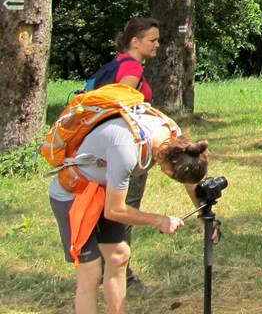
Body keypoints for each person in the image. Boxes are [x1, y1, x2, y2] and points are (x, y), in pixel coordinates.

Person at [49, 109, 208, 314]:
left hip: (103, 190)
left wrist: (203, 215)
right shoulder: (126, 149)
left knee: (119, 256)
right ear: (168, 170)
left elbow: (190, 182)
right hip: (73, 195)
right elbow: (114, 210)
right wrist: (159, 220)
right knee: (91, 272)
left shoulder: (174, 137)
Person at [99, 18, 160, 293]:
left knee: (110, 210)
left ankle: (104, 268)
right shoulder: (132, 68)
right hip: (126, 151)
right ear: (136, 41)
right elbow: (120, 105)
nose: (157, 44)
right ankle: (123, 276)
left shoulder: (118, 62)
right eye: (153, 40)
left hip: (105, 149)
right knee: (125, 211)